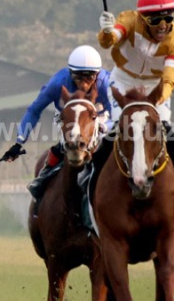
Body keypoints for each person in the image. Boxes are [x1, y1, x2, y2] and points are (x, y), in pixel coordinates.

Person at [90, 0, 174, 231]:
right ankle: (91, 174)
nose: (162, 26)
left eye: (167, 19)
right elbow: (110, 41)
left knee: (163, 128)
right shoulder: (129, 21)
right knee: (118, 128)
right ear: (142, 18)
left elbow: (170, 79)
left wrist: (151, 105)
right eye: (155, 20)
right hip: (124, 81)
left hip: (155, 88)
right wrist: (106, 32)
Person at [8, 45, 113, 215]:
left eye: (89, 77)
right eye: (78, 77)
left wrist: (103, 126)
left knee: (106, 143)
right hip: (68, 114)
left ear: (97, 74)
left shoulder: (106, 83)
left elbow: (117, 114)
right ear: (70, 73)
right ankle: (44, 178)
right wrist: (19, 142)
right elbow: (34, 110)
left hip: (100, 115)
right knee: (69, 140)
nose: (84, 84)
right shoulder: (58, 83)